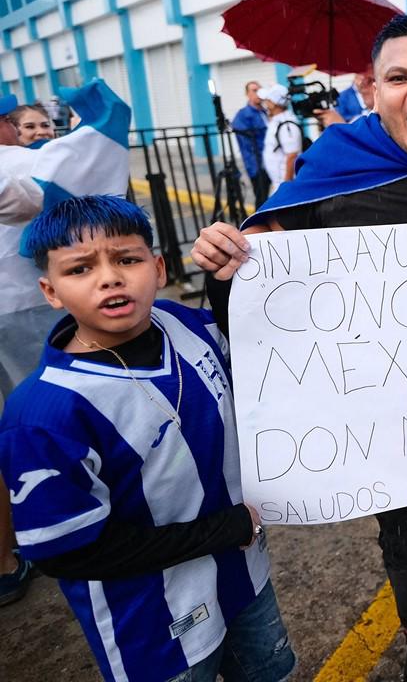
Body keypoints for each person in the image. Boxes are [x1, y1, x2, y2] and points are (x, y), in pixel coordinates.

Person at [190, 13, 407, 682]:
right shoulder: (332, 171)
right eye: (399, 78)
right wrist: (223, 263)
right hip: (390, 426)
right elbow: (263, 288)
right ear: (373, 90)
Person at [0, 195, 295, 682]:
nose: (109, 277)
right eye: (79, 269)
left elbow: (248, 353)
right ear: (50, 291)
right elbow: (67, 550)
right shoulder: (43, 414)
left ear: (158, 268)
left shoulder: (181, 323)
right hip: (152, 625)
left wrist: (237, 274)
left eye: (127, 259)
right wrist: (225, 528)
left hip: (245, 578)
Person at [0, 82, 131, 607]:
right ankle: (65, 525)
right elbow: (34, 188)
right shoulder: (13, 168)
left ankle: (9, 559)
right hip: (19, 309)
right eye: (14, 123)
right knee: (44, 420)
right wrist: (97, 133)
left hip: (19, 306)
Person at [230, 81, 270, 207]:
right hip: (258, 164)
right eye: (254, 90)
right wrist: (255, 168)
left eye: (259, 89)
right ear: (247, 94)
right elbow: (246, 145)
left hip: (271, 161)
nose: (258, 93)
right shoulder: (243, 115)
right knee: (261, 198)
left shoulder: (266, 111)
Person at [258, 83, 302, 195]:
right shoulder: (277, 120)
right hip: (278, 183)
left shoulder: (287, 124)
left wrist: (286, 188)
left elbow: (292, 156)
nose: (265, 103)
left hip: (285, 185)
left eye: (267, 100)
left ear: (274, 103)